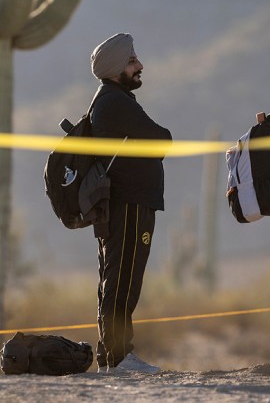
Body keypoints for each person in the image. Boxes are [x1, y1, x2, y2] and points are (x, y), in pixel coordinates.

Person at [88, 33, 172, 374]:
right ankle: (120, 357)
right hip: (129, 205)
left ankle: (112, 357)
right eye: (132, 61)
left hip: (125, 204)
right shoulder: (115, 102)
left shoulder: (113, 99)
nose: (139, 66)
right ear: (115, 69)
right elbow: (162, 139)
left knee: (115, 280)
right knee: (123, 281)